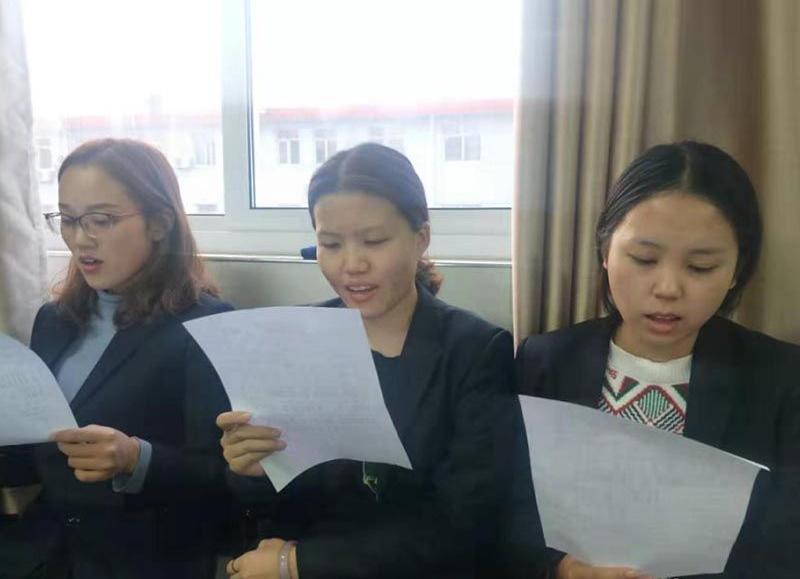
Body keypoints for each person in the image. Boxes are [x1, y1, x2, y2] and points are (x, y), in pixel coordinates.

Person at [217, 143, 537, 579]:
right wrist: (253, 471)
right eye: (331, 244)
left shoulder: (474, 351)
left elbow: (464, 526)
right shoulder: (295, 339)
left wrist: (297, 564)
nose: (352, 264)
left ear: (421, 237)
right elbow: (268, 508)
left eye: (374, 241)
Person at [516, 141, 800, 579]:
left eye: (700, 267)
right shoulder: (544, 362)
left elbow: (785, 545)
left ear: (737, 270)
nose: (668, 288)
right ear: (606, 252)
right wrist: (561, 569)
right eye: (644, 259)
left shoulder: (781, 380)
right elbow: (506, 506)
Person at [0, 139, 234, 579]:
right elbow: (31, 462)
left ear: (159, 223)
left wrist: (136, 460)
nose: (80, 238)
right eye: (68, 219)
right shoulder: (55, 319)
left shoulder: (207, 324)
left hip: (145, 559)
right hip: (44, 553)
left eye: (101, 220)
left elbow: (224, 479)